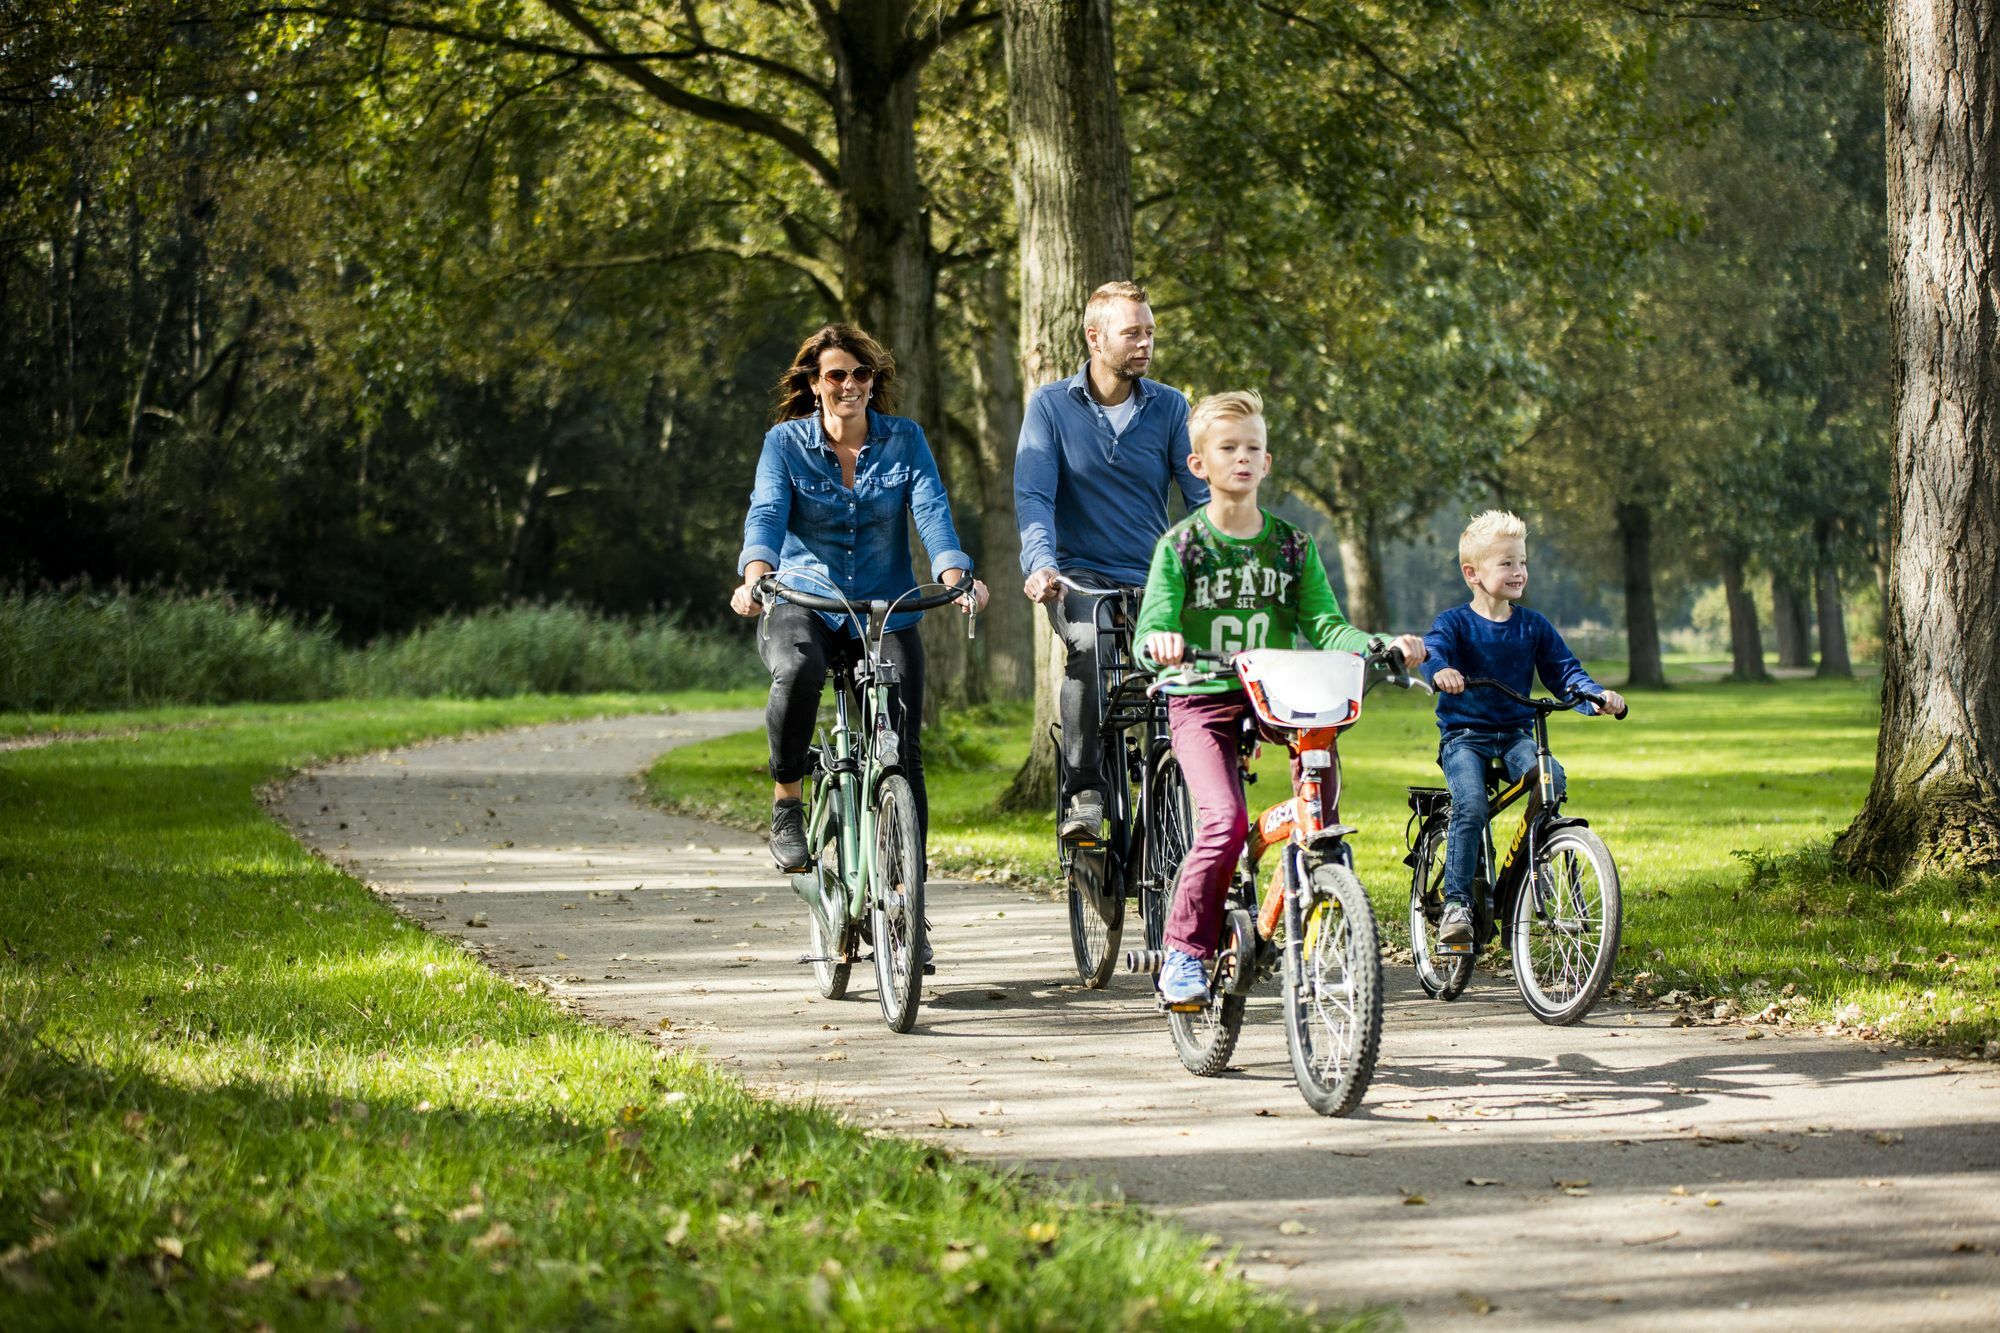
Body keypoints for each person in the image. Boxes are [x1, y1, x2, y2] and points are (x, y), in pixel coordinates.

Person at [1133, 390, 1426, 1004]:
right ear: (1199, 465)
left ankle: (1316, 905)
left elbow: (1326, 626)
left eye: (1254, 449)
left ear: (1268, 464)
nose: (1242, 459)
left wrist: (1376, 645)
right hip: (1201, 694)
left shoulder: (1294, 547)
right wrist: (1162, 640)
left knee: (1319, 800)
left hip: (1279, 695)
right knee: (1224, 821)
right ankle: (1185, 952)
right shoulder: (1181, 547)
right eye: (1228, 449)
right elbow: (1153, 623)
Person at [731, 324, 988, 874]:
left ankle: (909, 906)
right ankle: (787, 804)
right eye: (836, 374)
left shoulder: (905, 438)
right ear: (815, 383)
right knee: (797, 670)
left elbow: (932, 510)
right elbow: (768, 512)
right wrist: (755, 576)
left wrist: (954, 574)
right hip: (806, 601)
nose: (850, 384)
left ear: (874, 381)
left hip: (883, 607)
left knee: (905, 753)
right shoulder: (785, 443)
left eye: (861, 373)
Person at [1016, 280, 1209, 841]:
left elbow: (1199, 497)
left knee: (1182, 669)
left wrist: (1211, 561)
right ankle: (1086, 792)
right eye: (1133, 333)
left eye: (1149, 332)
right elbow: (1034, 497)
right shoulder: (1050, 406)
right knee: (1087, 647)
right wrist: (1042, 565)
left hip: (1153, 574)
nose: (1145, 343)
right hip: (1078, 574)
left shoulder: (1171, 405)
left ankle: (1178, 786)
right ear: (1095, 338)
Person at [1420, 510, 1625, 946]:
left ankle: (1535, 864)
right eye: (1507, 563)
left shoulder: (1533, 626)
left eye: (1523, 562)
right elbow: (1434, 652)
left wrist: (1595, 696)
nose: (1519, 572)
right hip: (1465, 736)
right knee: (1472, 804)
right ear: (1472, 573)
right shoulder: (1455, 623)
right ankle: (1457, 903)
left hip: (1515, 733)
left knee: (1551, 779)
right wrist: (1441, 672)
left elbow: (1565, 670)